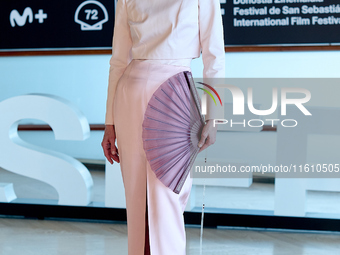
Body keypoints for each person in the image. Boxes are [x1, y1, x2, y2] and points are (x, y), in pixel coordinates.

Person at [101, 0, 225, 254]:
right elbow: (214, 55)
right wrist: (214, 117)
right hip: (169, 90)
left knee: (159, 193)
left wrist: (110, 123)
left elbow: (118, 62)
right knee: (153, 194)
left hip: (151, 90)